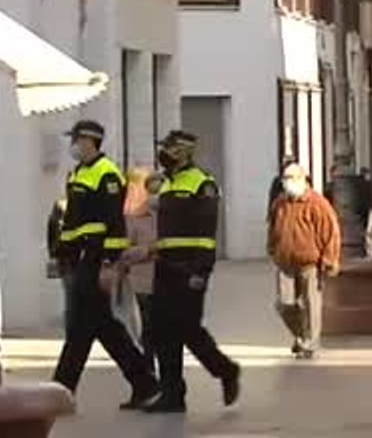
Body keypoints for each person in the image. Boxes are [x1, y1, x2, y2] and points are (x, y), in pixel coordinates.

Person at [51, 120, 160, 409]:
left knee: (85, 327)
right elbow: (73, 222)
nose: (73, 145)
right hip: (80, 260)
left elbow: (114, 225)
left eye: (76, 139)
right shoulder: (79, 173)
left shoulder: (107, 174)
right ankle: (144, 383)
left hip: (96, 260)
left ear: (89, 140)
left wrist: (109, 265)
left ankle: (61, 390)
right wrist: (62, 254)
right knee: (97, 327)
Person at [149, 130, 241, 413]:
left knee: (188, 329)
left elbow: (206, 234)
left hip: (189, 268)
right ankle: (172, 394)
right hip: (165, 266)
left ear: (183, 152)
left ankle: (226, 370)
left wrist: (200, 270)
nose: (163, 153)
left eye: (169, 148)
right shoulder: (167, 183)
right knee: (161, 331)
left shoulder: (203, 184)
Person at [268, 163, 341, 359]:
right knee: (284, 304)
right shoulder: (280, 203)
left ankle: (311, 342)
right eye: (285, 178)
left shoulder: (317, 203)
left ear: (301, 179)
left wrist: (330, 259)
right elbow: (272, 227)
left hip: (310, 263)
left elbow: (331, 232)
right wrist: (273, 250)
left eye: (290, 178)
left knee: (311, 303)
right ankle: (301, 334)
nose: (286, 182)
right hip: (285, 263)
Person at [118, 167, 159, 373]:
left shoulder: (174, 218)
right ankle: (149, 370)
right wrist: (148, 250)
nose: (156, 197)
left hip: (171, 281)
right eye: (152, 191)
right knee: (148, 329)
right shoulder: (135, 219)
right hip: (144, 284)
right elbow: (123, 253)